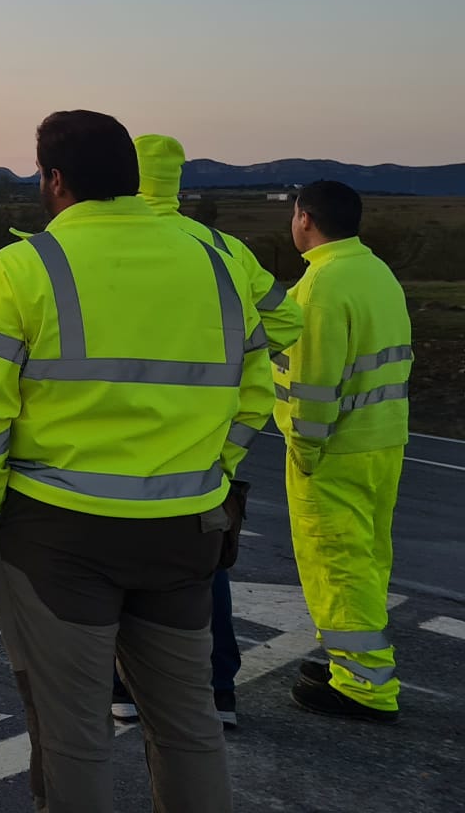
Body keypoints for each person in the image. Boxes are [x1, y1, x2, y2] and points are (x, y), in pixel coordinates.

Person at [0, 110, 273, 813]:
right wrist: (210, 481)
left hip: (59, 533)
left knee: (74, 733)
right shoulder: (218, 263)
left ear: (55, 180)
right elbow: (254, 398)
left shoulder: (22, 267)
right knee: (188, 727)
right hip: (185, 529)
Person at [110, 134, 307, 731]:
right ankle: (219, 690)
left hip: (120, 435)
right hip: (205, 443)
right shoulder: (224, 249)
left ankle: (123, 689)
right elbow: (288, 320)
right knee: (201, 568)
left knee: (112, 566)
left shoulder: (102, 243)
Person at [281, 179, 413, 721]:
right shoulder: (374, 271)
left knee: (337, 562)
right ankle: (354, 663)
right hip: (384, 438)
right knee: (368, 555)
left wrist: (305, 450)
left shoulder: (321, 287)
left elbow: (314, 385)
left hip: (334, 448)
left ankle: (364, 686)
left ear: (306, 219)